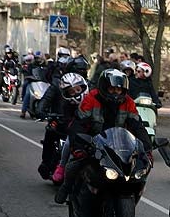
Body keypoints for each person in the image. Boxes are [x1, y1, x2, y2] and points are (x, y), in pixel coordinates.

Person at [54, 69, 152, 204]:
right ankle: (66, 188)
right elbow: (78, 124)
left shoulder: (128, 102)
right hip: (92, 140)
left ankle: (135, 194)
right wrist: (78, 147)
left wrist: (147, 149)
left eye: (119, 89)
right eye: (112, 89)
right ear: (104, 87)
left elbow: (138, 126)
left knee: (139, 169)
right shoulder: (91, 98)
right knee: (74, 164)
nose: (116, 92)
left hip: (118, 142)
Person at [37, 73, 87, 180]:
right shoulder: (58, 88)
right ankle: (46, 163)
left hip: (84, 129)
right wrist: (41, 111)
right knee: (50, 130)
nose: (75, 93)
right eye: (71, 91)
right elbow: (46, 99)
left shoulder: (91, 98)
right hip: (63, 123)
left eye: (77, 89)